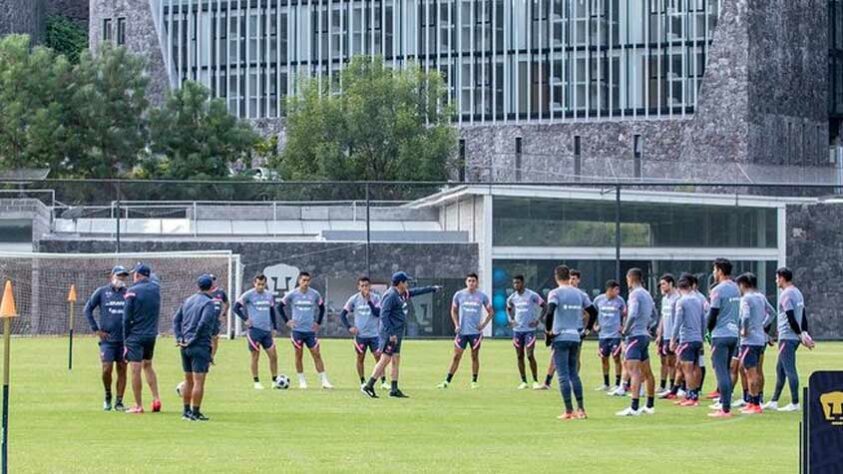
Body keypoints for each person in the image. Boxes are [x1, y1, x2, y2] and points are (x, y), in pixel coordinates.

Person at [361, 272, 440, 398]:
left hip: (397, 333)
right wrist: (391, 333)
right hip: (390, 333)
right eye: (406, 282)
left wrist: (432, 289)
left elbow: (414, 292)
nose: (407, 284)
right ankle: (369, 386)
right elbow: (383, 315)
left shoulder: (401, 294)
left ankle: (394, 389)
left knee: (396, 358)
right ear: (400, 283)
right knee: (385, 359)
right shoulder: (391, 295)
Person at [544, 265, 597, 420]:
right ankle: (581, 409)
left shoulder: (555, 293)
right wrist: (587, 331)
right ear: (569, 277)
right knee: (574, 374)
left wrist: (548, 332)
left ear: (556, 277)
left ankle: (569, 411)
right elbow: (593, 312)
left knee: (563, 376)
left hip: (560, 337)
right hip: (575, 337)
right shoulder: (579, 293)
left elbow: (550, 312)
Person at [762, 267, 815, 412]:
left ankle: (795, 403)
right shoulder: (797, 292)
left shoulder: (786, 295)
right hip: (792, 337)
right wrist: (804, 333)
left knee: (790, 369)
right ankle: (774, 401)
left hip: (787, 337)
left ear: (782, 278)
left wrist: (800, 335)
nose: (776, 281)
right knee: (780, 369)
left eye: (776, 278)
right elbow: (803, 314)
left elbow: (791, 317)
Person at [173, 274, 219, 421]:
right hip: (199, 344)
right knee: (199, 381)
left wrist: (180, 337)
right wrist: (193, 339)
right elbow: (204, 323)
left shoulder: (188, 300)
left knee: (188, 380)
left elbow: (176, 319)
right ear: (212, 287)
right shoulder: (209, 303)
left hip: (184, 345)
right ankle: (195, 412)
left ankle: (186, 411)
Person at [84, 265, 130, 411]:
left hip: (124, 340)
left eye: (123, 277)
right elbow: (87, 309)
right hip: (107, 340)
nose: (121, 279)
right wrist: (96, 329)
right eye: (119, 276)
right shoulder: (102, 292)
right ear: (112, 276)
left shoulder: (128, 293)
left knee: (122, 369)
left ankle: (119, 401)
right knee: (106, 369)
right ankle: (108, 395)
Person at [437, 273, 493, 389]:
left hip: (475, 333)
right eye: (469, 281)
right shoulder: (459, 295)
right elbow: (453, 311)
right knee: (456, 356)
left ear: (477, 283)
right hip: (462, 332)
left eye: (473, 281)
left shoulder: (482, 296)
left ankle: (474, 381)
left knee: (474, 356)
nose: (471, 283)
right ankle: (447, 381)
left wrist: (483, 325)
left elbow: (491, 312)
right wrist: (456, 324)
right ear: (466, 282)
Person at [538, 269, 591, 390]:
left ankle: (573, 380)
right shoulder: (561, 293)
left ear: (578, 280)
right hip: (561, 330)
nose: (572, 280)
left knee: (576, 357)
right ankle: (547, 381)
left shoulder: (580, 295)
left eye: (574, 278)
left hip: (576, 330)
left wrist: (586, 329)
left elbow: (589, 313)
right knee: (554, 356)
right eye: (570, 278)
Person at [279, 272, 332, 389]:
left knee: (316, 354)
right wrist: (287, 321)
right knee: (298, 355)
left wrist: (318, 322)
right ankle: (302, 381)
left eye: (308, 280)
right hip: (297, 331)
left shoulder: (314, 294)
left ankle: (324, 381)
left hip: (310, 331)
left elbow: (322, 307)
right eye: (303, 280)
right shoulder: (292, 294)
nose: (306, 283)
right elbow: (280, 306)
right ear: (299, 281)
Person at [122, 263, 162, 414]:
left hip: (136, 336)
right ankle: (156, 398)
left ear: (138, 275)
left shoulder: (132, 291)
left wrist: (126, 340)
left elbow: (126, 318)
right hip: (151, 335)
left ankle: (138, 405)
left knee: (135, 369)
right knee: (148, 365)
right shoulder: (156, 289)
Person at [616, 268, 657, 417]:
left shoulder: (635, 294)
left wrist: (625, 330)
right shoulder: (647, 294)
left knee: (633, 371)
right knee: (647, 372)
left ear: (630, 278)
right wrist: (648, 326)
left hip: (635, 336)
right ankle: (650, 405)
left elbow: (632, 313)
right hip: (644, 336)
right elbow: (654, 314)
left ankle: (634, 407)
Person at [734, 272, 774, 415]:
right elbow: (772, 313)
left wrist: (744, 329)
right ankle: (753, 401)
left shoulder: (746, 299)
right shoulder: (761, 297)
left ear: (743, 285)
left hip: (749, 341)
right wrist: (762, 326)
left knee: (750, 372)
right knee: (755, 371)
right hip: (760, 340)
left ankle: (755, 404)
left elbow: (745, 316)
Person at [706, 258, 742, 416]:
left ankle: (725, 408)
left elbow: (713, 313)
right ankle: (725, 404)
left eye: (714, 270)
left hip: (720, 335)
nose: (714, 273)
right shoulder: (736, 288)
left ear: (720, 271)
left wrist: (708, 329)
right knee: (726, 371)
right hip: (733, 335)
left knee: (721, 371)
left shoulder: (718, 290)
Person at [233, 274, 280, 390]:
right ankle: (256, 382)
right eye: (258, 284)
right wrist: (245, 319)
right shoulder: (248, 295)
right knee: (255, 356)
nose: (260, 286)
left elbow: (272, 311)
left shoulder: (269, 295)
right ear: (254, 283)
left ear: (266, 284)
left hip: (267, 331)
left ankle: (274, 381)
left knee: (273, 356)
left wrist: (274, 328)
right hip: (254, 331)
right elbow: (236, 307)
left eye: (263, 284)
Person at [340, 276, 387, 388]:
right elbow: (343, 314)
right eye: (362, 286)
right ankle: (362, 381)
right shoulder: (354, 299)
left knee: (379, 357)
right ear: (358, 287)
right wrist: (349, 327)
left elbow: (377, 313)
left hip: (374, 334)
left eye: (366, 285)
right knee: (360, 357)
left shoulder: (376, 298)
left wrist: (369, 300)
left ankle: (384, 381)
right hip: (360, 335)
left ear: (370, 286)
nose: (364, 288)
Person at [669, 277, 706, 409]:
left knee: (687, 369)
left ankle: (691, 397)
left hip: (687, 339)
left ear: (679, 289)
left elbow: (677, 322)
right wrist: (701, 337)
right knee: (696, 367)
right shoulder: (698, 300)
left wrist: (673, 339)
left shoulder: (681, 302)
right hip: (697, 339)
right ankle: (693, 394)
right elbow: (703, 320)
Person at [506, 275, 546, 389]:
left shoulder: (532, 295)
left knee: (529, 355)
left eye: (518, 283)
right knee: (519, 356)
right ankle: (524, 381)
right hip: (517, 330)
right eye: (514, 283)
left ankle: (535, 380)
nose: (516, 285)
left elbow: (544, 305)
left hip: (529, 330)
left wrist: (538, 320)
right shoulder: (512, 297)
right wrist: (511, 320)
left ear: (523, 283)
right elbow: (508, 308)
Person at [592, 280, 626, 392]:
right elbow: (592, 313)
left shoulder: (620, 301)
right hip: (603, 335)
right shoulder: (598, 300)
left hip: (615, 335)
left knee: (616, 358)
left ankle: (617, 383)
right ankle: (606, 383)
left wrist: (623, 326)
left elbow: (626, 314)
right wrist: (594, 325)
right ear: (610, 290)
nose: (618, 292)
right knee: (603, 358)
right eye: (616, 289)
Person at [656, 274, 680, 397]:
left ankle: (675, 386)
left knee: (675, 362)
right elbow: (662, 317)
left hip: (674, 336)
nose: (662, 286)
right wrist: (659, 334)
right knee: (664, 361)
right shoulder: (664, 299)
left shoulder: (677, 299)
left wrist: (675, 337)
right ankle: (663, 385)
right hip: (665, 335)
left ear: (671, 284)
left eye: (664, 284)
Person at [208, 275, 229, 363]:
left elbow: (227, 303)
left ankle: (211, 357)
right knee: (206, 339)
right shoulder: (205, 292)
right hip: (207, 320)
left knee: (215, 338)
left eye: (213, 280)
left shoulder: (220, 292)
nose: (212, 282)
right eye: (210, 280)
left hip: (216, 321)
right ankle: (205, 356)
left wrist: (224, 313)